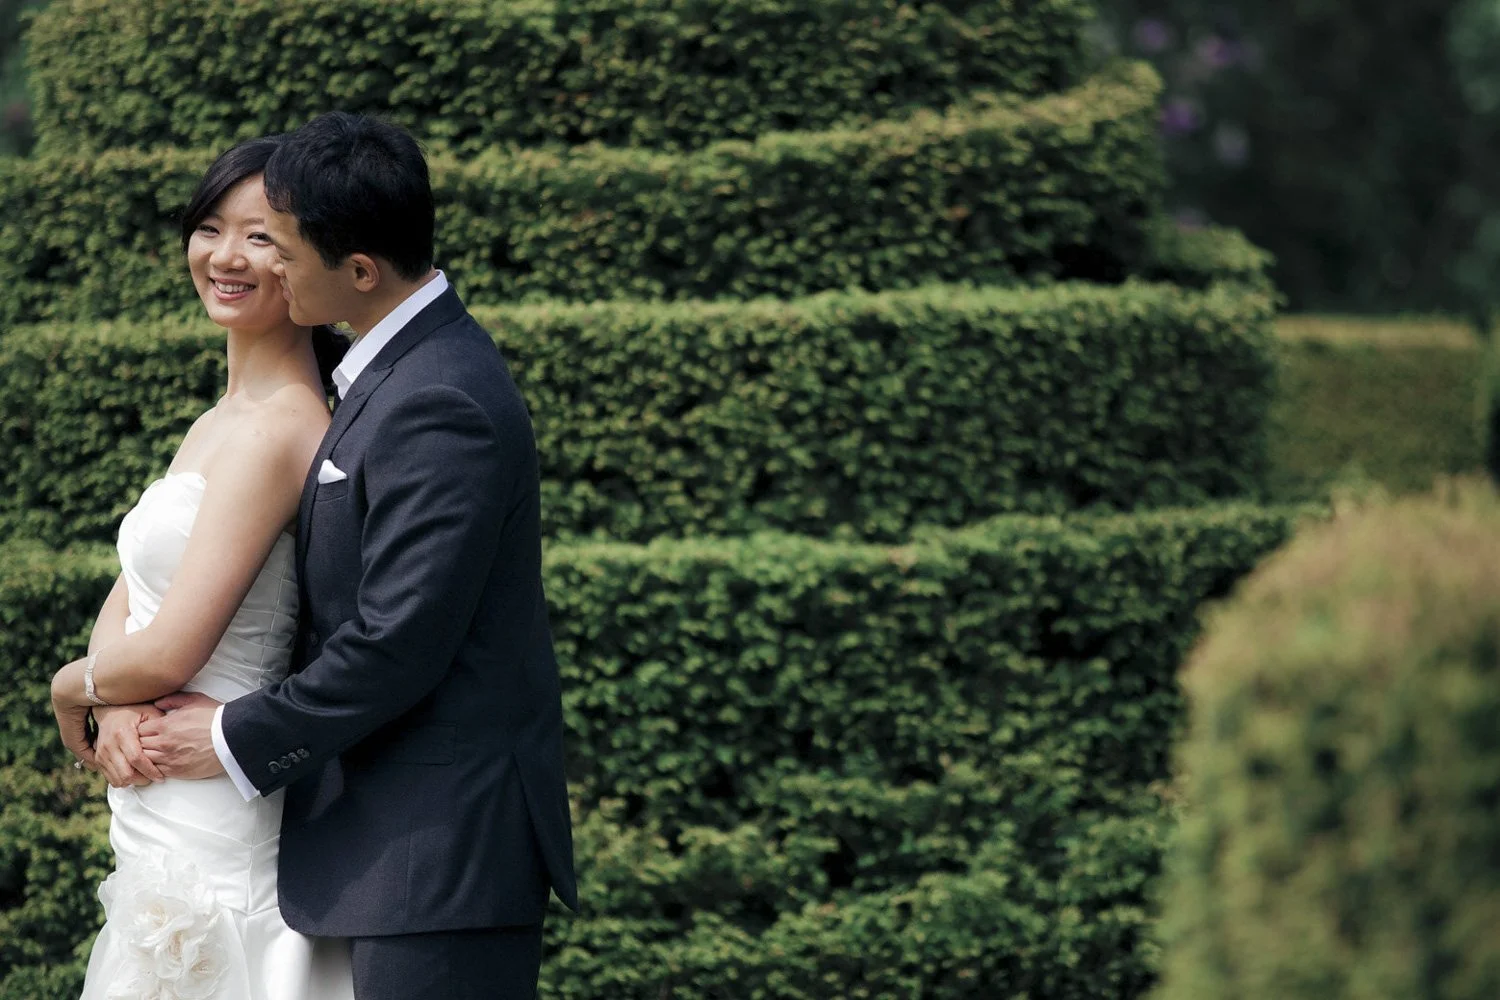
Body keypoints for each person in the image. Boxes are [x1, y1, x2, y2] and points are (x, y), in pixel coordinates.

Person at [76, 111, 579, 999]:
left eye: (279, 244)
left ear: (356, 269)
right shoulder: (375, 376)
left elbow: (396, 641)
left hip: (435, 854)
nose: (257, 263)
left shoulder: (438, 398)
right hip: (364, 843)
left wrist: (212, 728)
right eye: (219, 230)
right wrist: (119, 693)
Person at [49, 136, 357, 999]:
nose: (226, 255)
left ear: (308, 261)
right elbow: (136, 594)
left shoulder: (276, 428)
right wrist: (111, 694)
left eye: (261, 237)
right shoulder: (224, 416)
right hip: (159, 781)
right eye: (211, 227)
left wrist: (72, 692)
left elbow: (173, 653)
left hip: (208, 792)